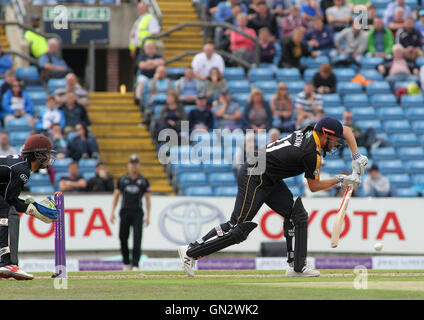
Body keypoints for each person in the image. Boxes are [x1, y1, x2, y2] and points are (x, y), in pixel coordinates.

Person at [178, 116, 368, 278]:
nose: (335, 144)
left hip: (269, 175)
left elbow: (347, 130)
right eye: (334, 140)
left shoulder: (313, 130)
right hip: (255, 174)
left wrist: (356, 156)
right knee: (238, 228)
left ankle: (296, 267)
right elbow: (314, 186)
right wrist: (341, 179)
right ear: (325, 134)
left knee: (295, 215)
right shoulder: (310, 153)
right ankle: (190, 252)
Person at [0, 134, 59, 280]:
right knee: (4, 209)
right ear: (37, 154)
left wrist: (29, 207)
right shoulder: (22, 169)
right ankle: (6, 262)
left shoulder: (21, 165)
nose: (48, 157)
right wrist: (33, 209)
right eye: (46, 153)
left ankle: (6, 263)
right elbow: (11, 200)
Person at [110, 154, 151, 271]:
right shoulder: (122, 180)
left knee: (137, 238)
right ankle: (126, 262)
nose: (134, 166)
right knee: (123, 237)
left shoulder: (143, 181)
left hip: (138, 212)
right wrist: (112, 211)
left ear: (139, 165)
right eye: (132, 164)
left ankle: (135, 264)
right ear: (128, 165)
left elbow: (148, 199)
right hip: (125, 211)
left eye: (135, 163)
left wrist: (148, 216)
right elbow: (116, 195)